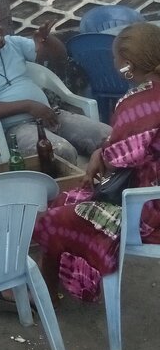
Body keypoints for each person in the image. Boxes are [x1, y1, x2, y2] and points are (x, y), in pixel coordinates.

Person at [33, 22, 160, 303]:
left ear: (128, 63)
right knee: (69, 198)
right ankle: (53, 284)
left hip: (147, 210)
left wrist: (99, 156)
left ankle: (47, 292)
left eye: (115, 59)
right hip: (148, 191)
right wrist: (99, 153)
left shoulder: (139, 102)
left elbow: (117, 159)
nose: (114, 63)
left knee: (55, 216)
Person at [0, 4, 111, 164]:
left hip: (50, 115)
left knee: (108, 136)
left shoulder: (12, 43)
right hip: (15, 129)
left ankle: (115, 185)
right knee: (60, 152)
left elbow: (58, 56)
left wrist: (46, 40)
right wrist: (29, 106)